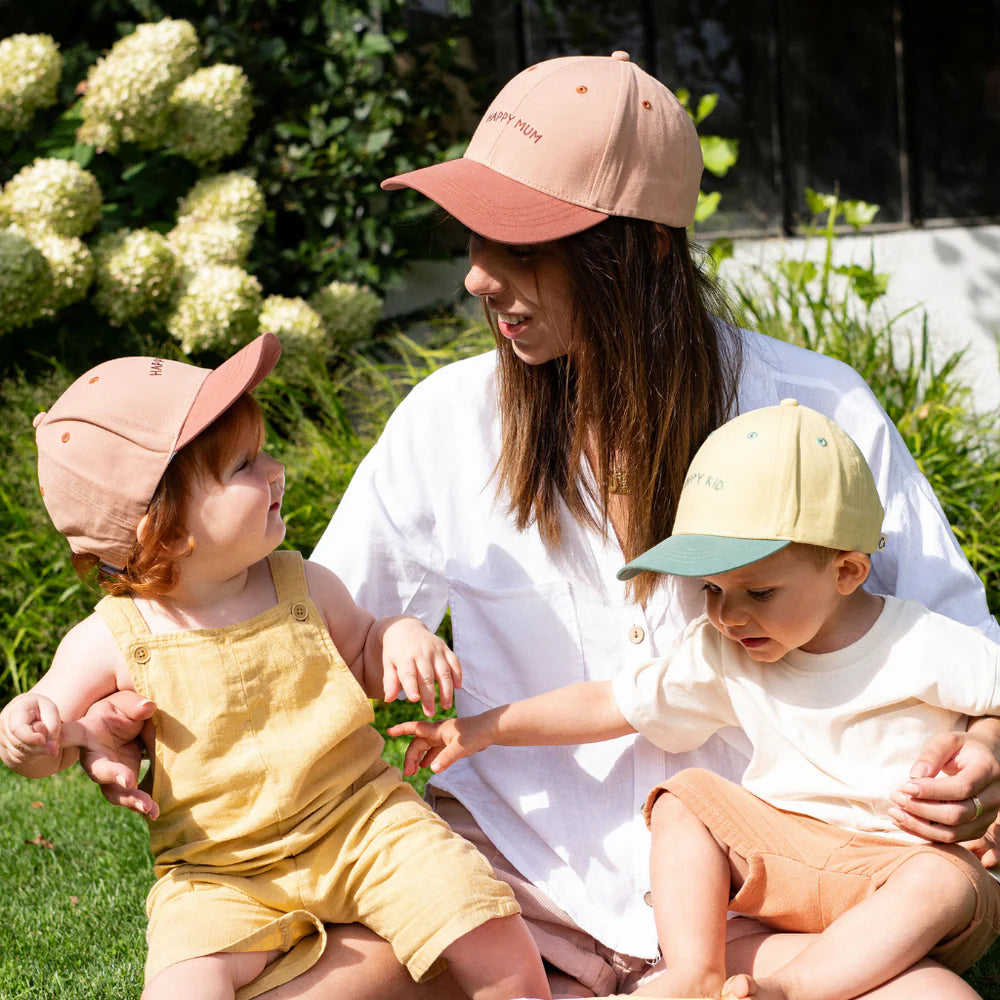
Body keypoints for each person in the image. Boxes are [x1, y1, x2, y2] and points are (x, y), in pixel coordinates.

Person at [78, 51, 1000, 1000]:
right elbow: (304, 637)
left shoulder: (820, 414)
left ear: (641, 248)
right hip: (503, 895)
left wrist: (984, 760)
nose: (478, 278)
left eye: (522, 247)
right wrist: (132, 720)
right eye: (476, 239)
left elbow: (961, 644)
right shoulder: (446, 422)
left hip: (764, 903)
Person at [389, 399, 1000, 1000]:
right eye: (711, 588)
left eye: (758, 591)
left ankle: (787, 990)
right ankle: (693, 971)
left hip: (899, 865)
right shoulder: (722, 651)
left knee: (941, 881)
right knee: (686, 801)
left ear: (847, 573)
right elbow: (611, 704)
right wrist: (485, 728)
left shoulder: (923, 642)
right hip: (784, 864)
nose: (728, 614)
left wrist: (983, 744)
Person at [0, 333, 550, 1000]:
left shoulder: (304, 585)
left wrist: (400, 635)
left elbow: (364, 655)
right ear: (165, 530)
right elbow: (52, 736)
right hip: (219, 871)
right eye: (244, 465)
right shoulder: (111, 639)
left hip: (363, 824)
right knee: (182, 983)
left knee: (478, 917)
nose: (275, 470)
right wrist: (28, 732)